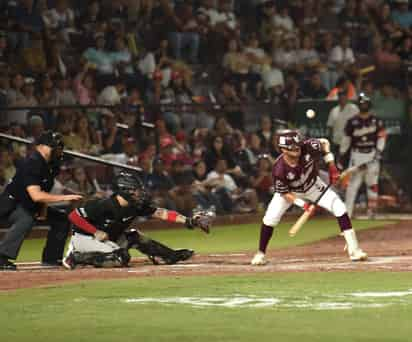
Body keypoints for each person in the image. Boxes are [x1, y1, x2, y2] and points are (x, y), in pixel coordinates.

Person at [251, 129, 368, 266]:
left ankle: (354, 250)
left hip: (313, 186)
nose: (297, 149)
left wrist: (331, 166)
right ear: (283, 149)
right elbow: (285, 193)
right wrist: (303, 205)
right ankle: (260, 253)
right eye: (293, 147)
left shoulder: (308, 146)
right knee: (270, 219)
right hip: (291, 192)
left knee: (340, 207)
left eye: (298, 145)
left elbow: (324, 143)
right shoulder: (279, 169)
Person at [62, 172, 212, 269]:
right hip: (85, 238)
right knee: (121, 258)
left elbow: (160, 213)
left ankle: (167, 256)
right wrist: (95, 231)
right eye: (136, 190)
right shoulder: (104, 204)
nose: (140, 193)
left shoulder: (135, 205)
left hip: (108, 238)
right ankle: (76, 257)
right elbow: (73, 216)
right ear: (125, 191)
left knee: (134, 236)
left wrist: (189, 221)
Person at [0, 131, 83, 270]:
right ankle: (2, 257)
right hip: (11, 205)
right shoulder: (33, 162)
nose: (58, 151)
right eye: (56, 147)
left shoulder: (50, 165)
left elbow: (43, 190)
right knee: (27, 218)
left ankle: (51, 258)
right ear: (43, 146)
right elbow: (36, 195)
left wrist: (43, 209)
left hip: (30, 205)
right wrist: (66, 197)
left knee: (61, 219)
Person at [339, 94, 387, 218]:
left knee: (372, 185)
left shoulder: (377, 120)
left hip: (372, 155)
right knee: (352, 187)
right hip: (357, 155)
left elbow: (382, 137)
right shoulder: (352, 122)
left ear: (369, 104)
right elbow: (345, 141)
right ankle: (347, 214)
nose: (363, 105)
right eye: (361, 103)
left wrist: (379, 152)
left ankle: (372, 213)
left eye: (365, 103)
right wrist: (342, 155)